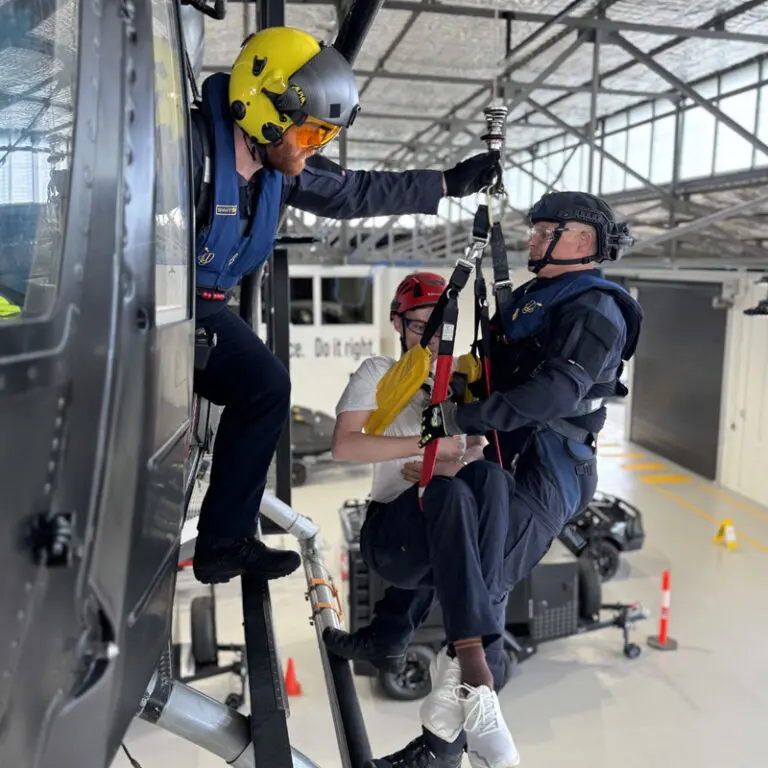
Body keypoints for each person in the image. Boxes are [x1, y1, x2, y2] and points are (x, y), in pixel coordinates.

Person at [325, 191, 643, 768]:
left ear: (581, 240)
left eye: (545, 229)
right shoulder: (531, 300)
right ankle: (404, 647)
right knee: (464, 545)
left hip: (549, 465)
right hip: (508, 454)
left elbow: (553, 394)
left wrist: (458, 418)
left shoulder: (596, 307)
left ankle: (443, 742)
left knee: (486, 587)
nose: (530, 239)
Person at [189, 26, 502, 585]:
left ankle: (223, 542)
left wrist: (448, 183)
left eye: (322, 136)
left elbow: (356, 191)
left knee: (266, 387)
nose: (313, 147)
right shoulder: (186, 152)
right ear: (263, 110)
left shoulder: (277, 170)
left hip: (206, 308)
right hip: (152, 305)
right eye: (308, 132)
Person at [330, 272, 522, 768]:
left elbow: (477, 457)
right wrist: (428, 448)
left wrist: (454, 460)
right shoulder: (381, 374)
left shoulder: (459, 384)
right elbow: (347, 444)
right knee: (446, 491)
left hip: (439, 534)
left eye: (441, 329)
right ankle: (477, 673)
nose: (432, 338)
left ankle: (435, 656)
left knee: (493, 482)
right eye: (420, 327)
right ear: (399, 324)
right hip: (394, 538)